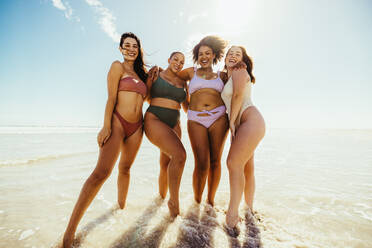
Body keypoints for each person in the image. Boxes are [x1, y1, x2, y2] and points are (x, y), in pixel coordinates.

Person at [62, 32, 157, 247]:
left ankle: (120, 210)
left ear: (138, 49)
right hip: (117, 122)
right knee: (101, 173)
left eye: (134, 46)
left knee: (125, 169)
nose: (131, 49)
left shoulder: (141, 74)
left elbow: (147, 98)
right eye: (127, 45)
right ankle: (69, 233)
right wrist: (106, 125)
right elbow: (111, 97)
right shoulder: (117, 67)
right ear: (121, 48)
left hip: (136, 127)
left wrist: (151, 79)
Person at [177, 36, 229, 206]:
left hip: (219, 117)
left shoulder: (222, 75)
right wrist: (185, 103)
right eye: (200, 54)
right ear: (197, 56)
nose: (204, 56)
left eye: (207, 53)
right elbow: (172, 77)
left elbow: (239, 86)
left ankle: (210, 202)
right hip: (195, 119)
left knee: (215, 161)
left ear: (214, 55)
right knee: (201, 163)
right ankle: (197, 202)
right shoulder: (190, 72)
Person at [221, 46, 265, 229]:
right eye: (230, 53)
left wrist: (231, 122)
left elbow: (238, 96)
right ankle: (249, 211)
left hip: (250, 120)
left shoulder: (240, 70)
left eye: (237, 54)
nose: (233, 56)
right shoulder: (227, 77)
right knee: (247, 168)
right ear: (225, 59)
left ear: (242, 59)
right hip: (245, 125)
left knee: (233, 163)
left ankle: (232, 216)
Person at [144, 51, 188, 217]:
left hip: (175, 123)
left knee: (165, 163)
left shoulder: (184, 82)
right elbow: (145, 96)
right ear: (168, 60)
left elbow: (187, 107)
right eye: (175, 59)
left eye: (182, 62)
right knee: (180, 155)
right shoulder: (157, 73)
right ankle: (174, 203)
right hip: (155, 118)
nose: (178, 63)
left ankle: (159, 200)